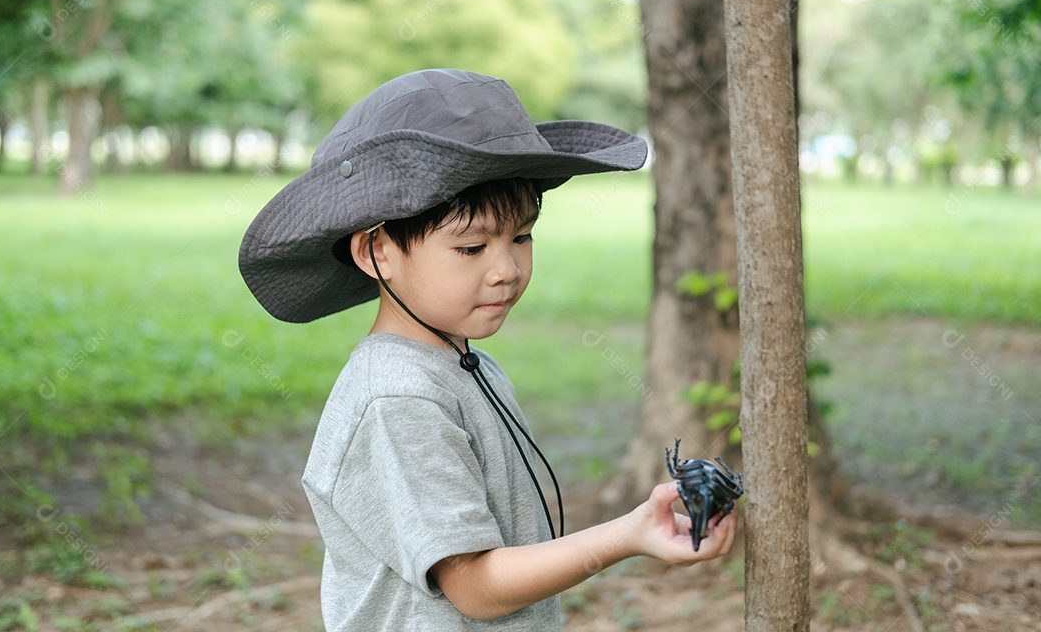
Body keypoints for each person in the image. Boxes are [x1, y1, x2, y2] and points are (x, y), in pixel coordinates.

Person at [238, 68, 738, 631]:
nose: (506, 270)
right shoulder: (399, 400)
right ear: (376, 251)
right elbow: (474, 587)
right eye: (472, 247)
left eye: (520, 237)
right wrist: (627, 535)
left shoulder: (464, 364)